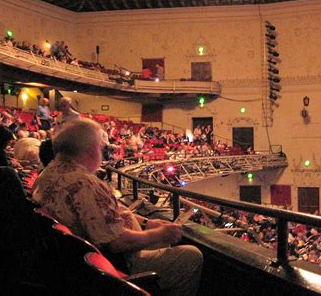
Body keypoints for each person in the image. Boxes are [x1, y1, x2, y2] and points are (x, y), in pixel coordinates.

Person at [32, 119, 203, 295]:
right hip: (116, 264)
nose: (102, 154)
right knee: (191, 256)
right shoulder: (83, 183)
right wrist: (159, 233)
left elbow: (103, 214)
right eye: (101, 148)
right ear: (91, 150)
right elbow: (116, 243)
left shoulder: (47, 174)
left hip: (77, 262)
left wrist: (145, 224)